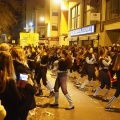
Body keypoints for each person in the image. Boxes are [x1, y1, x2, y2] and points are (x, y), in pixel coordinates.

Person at [0, 51, 25, 120]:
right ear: (9, 64)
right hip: (9, 114)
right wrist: (22, 83)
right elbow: (19, 100)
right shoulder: (8, 81)